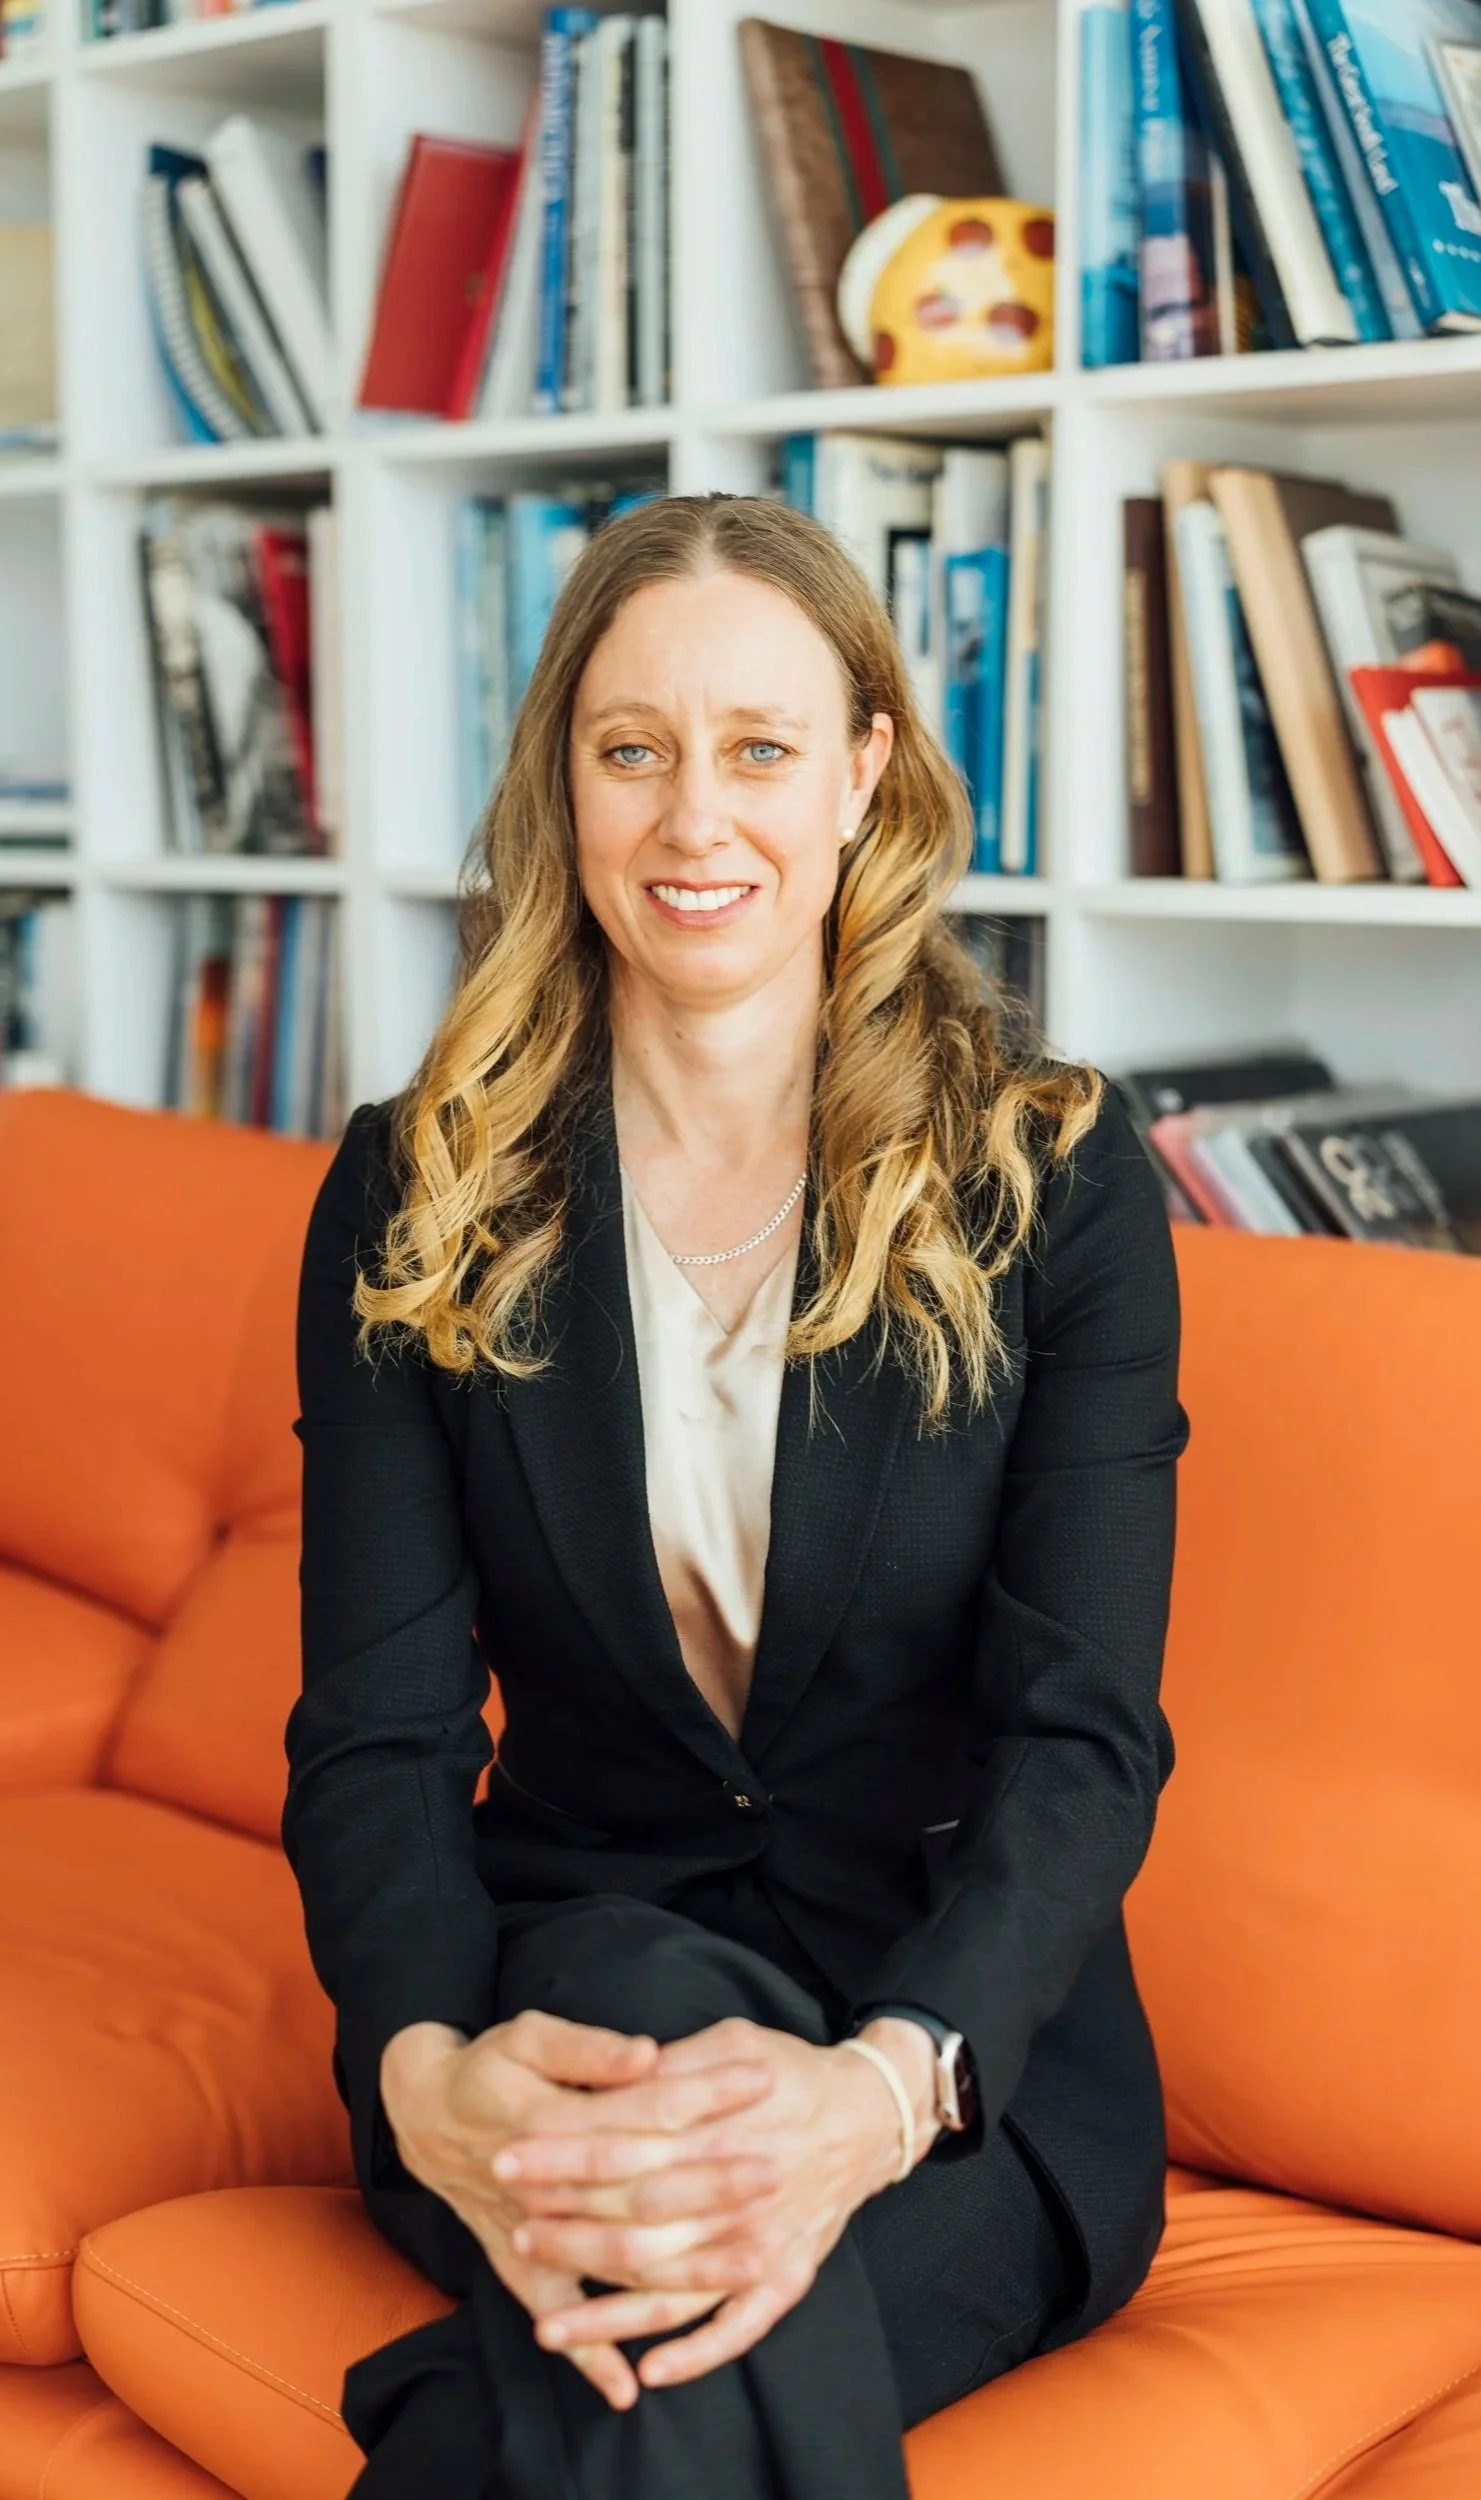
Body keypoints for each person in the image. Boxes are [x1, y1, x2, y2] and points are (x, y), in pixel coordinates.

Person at [284, 490, 1192, 2500]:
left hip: (949, 2068)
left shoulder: (1055, 1184)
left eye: (759, 746)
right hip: (553, 2036)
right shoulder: (413, 1185)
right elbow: (378, 1735)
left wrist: (873, 2096)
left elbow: (1078, 1740)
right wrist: (424, 2074)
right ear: (567, 781)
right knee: (641, 2030)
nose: (696, 817)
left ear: (863, 768)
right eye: (634, 748)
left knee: (627, 2369)